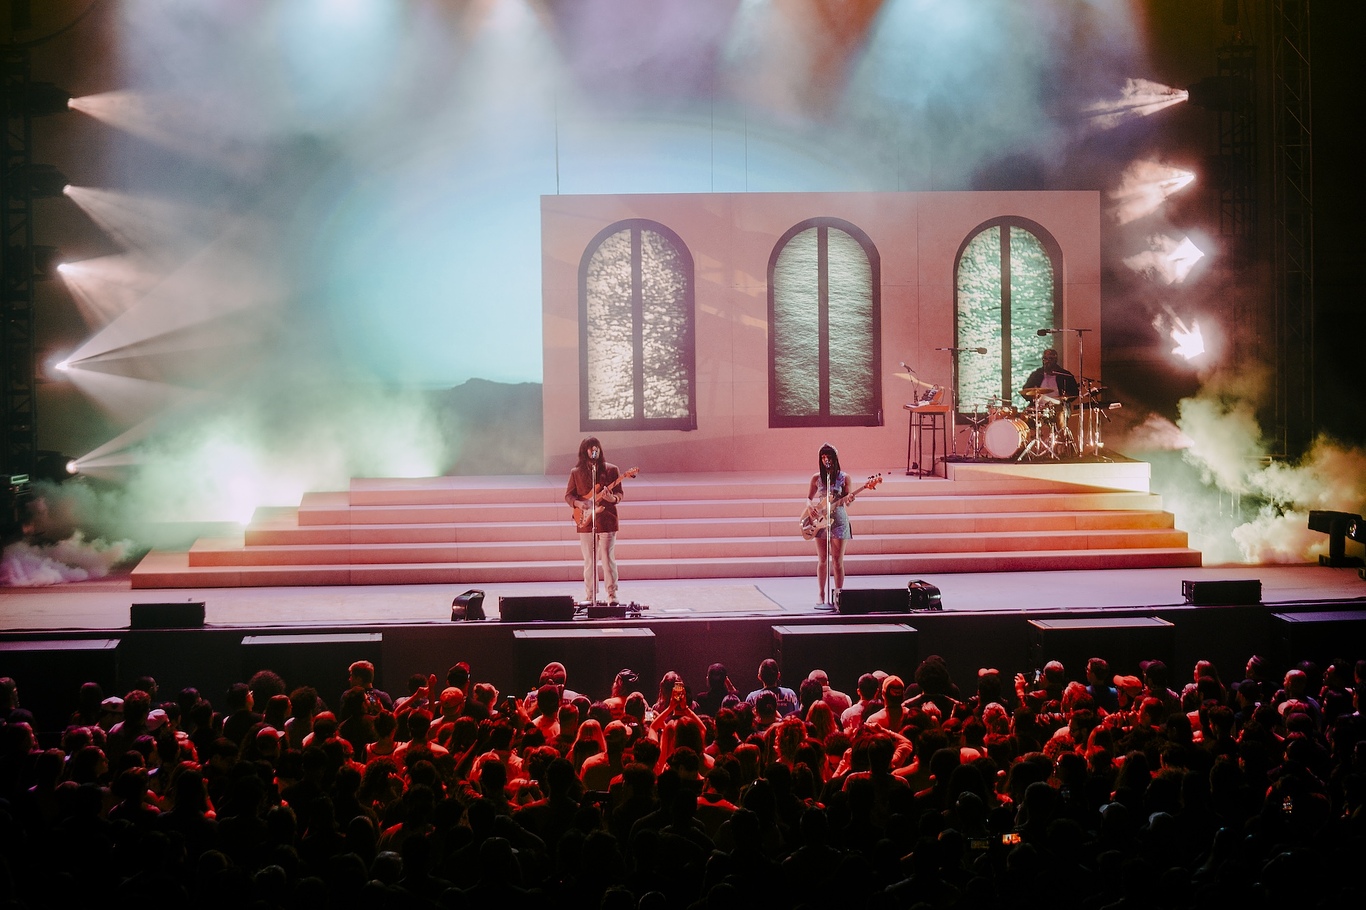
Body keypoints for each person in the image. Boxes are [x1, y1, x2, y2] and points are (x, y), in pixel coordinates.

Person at [565, 436, 625, 605]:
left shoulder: (611, 470)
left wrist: (612, 498)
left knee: (607, 557)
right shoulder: (576, 472)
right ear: (584, 451)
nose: (594, 450)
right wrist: (579, 504)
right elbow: (569, 495)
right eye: (591, 447)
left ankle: (612, 594)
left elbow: (619, 493)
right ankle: (590, 595)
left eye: (596, 447)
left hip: (607, 519)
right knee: (589, 560)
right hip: (586, 522)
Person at [805, 442, 856, 606]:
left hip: (839, 521)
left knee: (837, 561)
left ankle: (839, 595)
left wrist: (849, 499)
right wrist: (809, 507)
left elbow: (847, 501)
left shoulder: (844, 477)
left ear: (835, 459)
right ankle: (821, 594)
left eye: (829, 457)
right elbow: (808, 498)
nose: (826, 460)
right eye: (823, 457)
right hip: (821, 521)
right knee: (822, 559)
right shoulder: (817, 478)